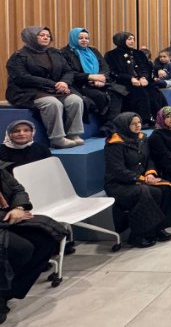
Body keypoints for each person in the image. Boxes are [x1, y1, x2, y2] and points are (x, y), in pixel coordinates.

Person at [0, 166, 65, 322]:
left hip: (8, 218)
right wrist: (8, 216)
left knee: (46, 237)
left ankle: (7, 292)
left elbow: (18, 190)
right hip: (4, 219)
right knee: (21, 248)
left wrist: (18, 208)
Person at [104, 113, 171, 248]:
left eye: (139, 122)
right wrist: (141, 179)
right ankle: (138, 235)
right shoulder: (114, 144)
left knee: (165, 188)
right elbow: (117, 170)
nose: (138, 126)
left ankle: (158, 229)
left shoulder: (142, 138)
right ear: (124, 125)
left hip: (141, 180)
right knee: (145, 192)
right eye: (133, 123)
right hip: (119, 184)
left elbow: (149, 159)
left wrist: (150, 174)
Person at [6, 26, 85, 149]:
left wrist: (64, 82)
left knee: (75, 100)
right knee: (52, 103)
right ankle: (57, 138)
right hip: (28, 91)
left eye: (48, 36)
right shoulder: (19, 56)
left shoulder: (55, 52)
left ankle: (73, 134)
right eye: (42, 35)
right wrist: (53, 84)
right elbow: (22, 78)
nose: (46, 38)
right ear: (31, 37)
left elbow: (68, 71)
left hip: (54, 89)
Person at [61, 27, 122, 126]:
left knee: (118, 91)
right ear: (73, 38)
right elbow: (70, 73)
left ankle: (111, 124)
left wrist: (101, 78)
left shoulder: (93, 50)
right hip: (80, 84)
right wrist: (90, 77)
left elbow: (105, 67)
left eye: (87, 38)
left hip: (99, 81)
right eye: (80, 38)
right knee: (99, 96)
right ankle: (107, 124)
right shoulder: (65, 53)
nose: (84, 40)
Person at [104, 32, 166, 127]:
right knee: (139, 93)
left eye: (133, 39)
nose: (132, 41)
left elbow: (146, 68)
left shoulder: (139, 53)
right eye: (129, 39)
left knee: (155, 92)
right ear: (121, 40)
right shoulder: (111, 55)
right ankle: (144, 120)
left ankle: (163, 118)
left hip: (141, 81)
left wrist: (144, 77)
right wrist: (130, 79)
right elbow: (113, 72)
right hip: (123, 82)